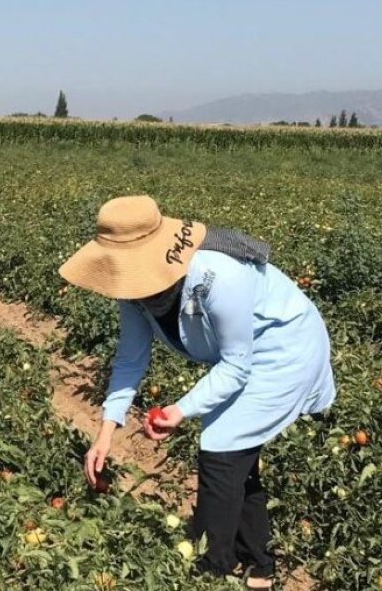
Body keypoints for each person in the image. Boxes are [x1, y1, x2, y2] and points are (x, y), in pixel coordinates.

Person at [59, 196, 336, 590]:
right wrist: (105, 431)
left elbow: (237, 364)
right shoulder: (132, 291)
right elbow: (130, 359)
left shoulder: (218, 275)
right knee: (236, 455)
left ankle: (212, 571)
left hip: (283, 349)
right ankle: (259, 563)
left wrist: (180, 410)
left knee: (222, 451)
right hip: (241, 357)